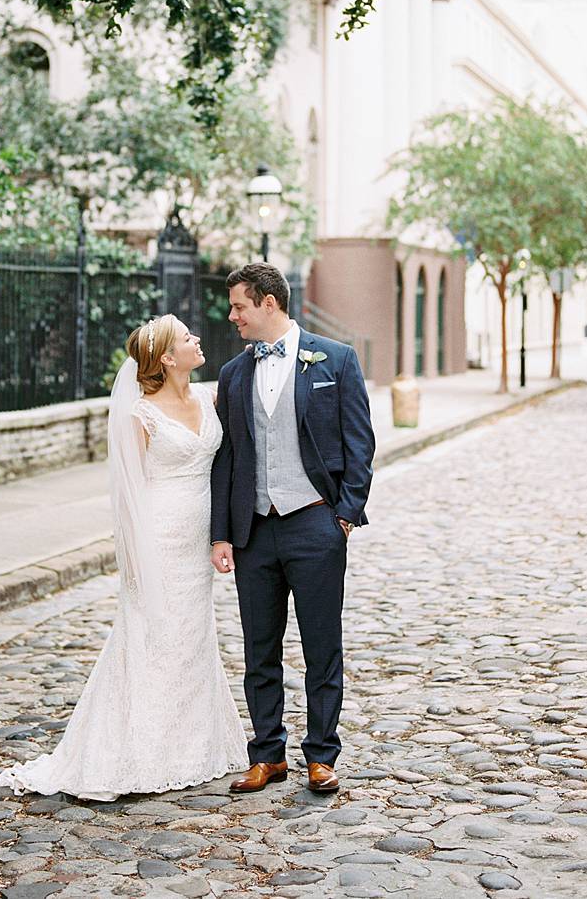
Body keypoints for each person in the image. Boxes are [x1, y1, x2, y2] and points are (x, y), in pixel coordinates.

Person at [0, 314, 247, 801]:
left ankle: (194, 745)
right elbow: (130, 493)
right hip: (158, 534)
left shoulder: (208, 397)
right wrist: (135, 559)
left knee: (192, 635)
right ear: (168, 358)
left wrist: (224, 534)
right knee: (151, 635)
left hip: (199, 537)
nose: (198, 340)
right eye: (187, 338)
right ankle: (138, 752)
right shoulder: (142, 415)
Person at [211, 263, 375, 794]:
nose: (232, 315)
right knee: (260, 648)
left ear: (268, 303)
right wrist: (221, 533)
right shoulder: (234, 374)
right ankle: (267, 754)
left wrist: (344, 516)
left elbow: (360, 444)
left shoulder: (337, 359)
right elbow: (227, 457)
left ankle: (321, 756)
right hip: (254, 530)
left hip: (314, 525)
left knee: (321, 646)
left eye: (239, 305)